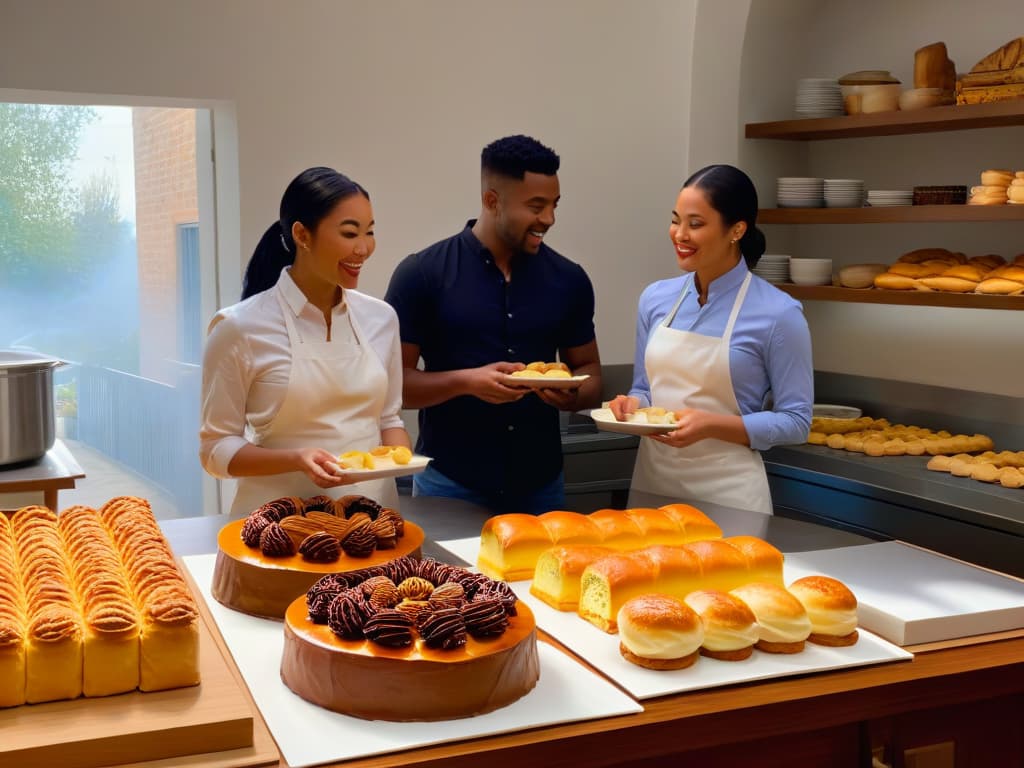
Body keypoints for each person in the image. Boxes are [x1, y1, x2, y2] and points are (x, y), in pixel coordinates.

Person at [384, 135, 602, 514]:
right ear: (491, 201)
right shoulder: (421, 274)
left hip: (542, 487)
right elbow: (392, 386)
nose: (548, 219)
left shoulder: (569, 280)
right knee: (447, 578)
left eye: (553, 205)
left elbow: (591, 375)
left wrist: (573, 396)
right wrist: (468, 382)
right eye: (536, 206)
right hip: (449, 483)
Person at [200, 167, 409, 516]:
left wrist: (402, 461)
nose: (364, 248)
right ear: (302, 235)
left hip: (372, 523)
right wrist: (296, 460)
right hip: (277, 530)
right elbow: (215, 450)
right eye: (349, 233)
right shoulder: (238, 327)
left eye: (370, 232)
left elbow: (389, 420)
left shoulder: (381, 318)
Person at [609, 164, 812, 515]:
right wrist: (632, 405)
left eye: (696, 224)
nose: (679, 235)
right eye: (676, 220)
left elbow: (796, 421)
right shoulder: (655, 299)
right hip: (652, 490)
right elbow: (645, 388)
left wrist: (712, 425)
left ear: (736, 230)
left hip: (728, 499)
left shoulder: (780, 314)